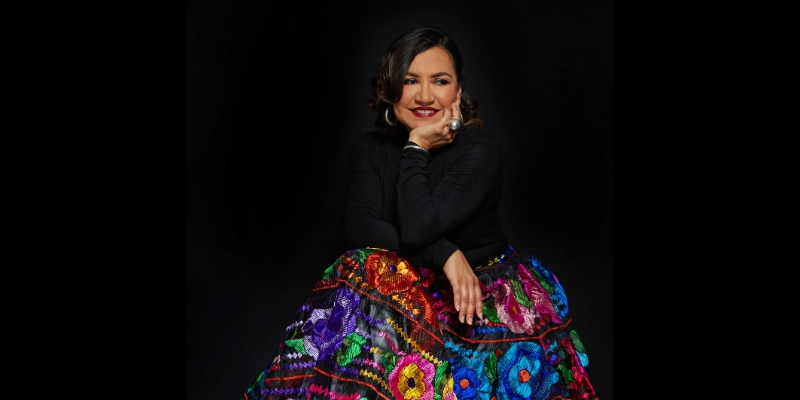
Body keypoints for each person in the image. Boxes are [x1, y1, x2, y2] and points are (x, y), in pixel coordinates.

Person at [242, 26, 598, 400]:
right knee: (363, 264)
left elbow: (418, 226)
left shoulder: (480, 151)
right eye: (410, 80)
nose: (425, 96)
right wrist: (443, 251)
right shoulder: (370, 149)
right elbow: (361, 229)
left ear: (458, 91)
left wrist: (416, 148)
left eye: (440, 81)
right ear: (390, 87)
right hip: (401, 296)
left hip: (480, 295)